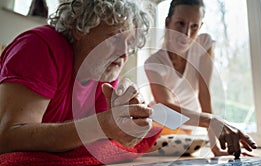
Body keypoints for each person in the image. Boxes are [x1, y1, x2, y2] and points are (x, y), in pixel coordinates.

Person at [0, 0, 155, 154]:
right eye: (114, 38)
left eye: (130, 43)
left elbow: (97, 140)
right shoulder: (39, 48)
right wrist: (101, 125)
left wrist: (127, 124)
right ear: (80, 29)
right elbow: (8, 137)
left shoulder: (104, 68)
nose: (124, 53)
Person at [144, 0, 257, 157]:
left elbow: (204, 95)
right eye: (180, 24)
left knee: (186, 144)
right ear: (167, 23)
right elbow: (166, 108)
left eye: (194, 26)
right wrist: (212, 120)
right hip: (160, 122)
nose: (186, 34)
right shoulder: (153, 63)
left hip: (188, 127)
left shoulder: (203, 44)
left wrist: (215, 148)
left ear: (200, 26)